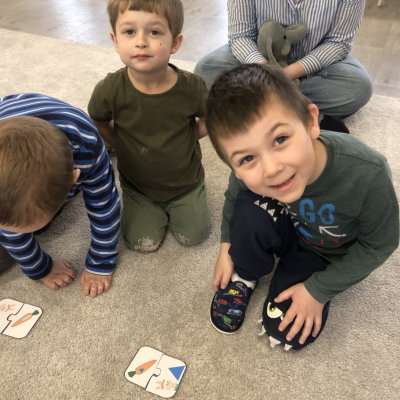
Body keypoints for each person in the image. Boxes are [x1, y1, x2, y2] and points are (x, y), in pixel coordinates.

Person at [205, 64, 399, 350]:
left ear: (310, 122)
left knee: (286, 330)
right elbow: (235, 194)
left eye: (280, 139)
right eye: (247, 159)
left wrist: (318, 290)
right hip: (287, 224)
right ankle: (246, 273)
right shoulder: (251, 176)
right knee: (247, 212)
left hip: (325, 252)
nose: (272, 169)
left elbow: (380, 244)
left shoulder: (368, 173)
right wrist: (226, 246)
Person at [88, 0, 210, 252]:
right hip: (138, 187)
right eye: (129, 31)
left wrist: (190, 138)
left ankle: (194, 195)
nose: (141, 41)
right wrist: (118, 143)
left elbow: (211, 118)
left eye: (154, 32)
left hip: (185, 183)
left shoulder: (193, 87)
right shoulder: (109, 89)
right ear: (115, 40)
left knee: (196, 236)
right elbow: (98, 121)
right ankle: (144, 206)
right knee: (141, 243)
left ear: (175, 42)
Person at [0, 93, 121, 298]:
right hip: (8, 116)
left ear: (74, 178)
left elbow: (105, 208)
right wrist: (41, 268)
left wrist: (100, 263)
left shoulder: (88, 148)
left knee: (34, 221)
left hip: (70, 127)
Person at [195, 0, 372, 121]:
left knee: (358, 87)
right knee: (206, 72)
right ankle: (294, 106)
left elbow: (338, 43)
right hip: (259, 59)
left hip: (315, 62)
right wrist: (265, 70)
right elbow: (241, 36)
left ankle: (256, 102)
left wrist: (286, 74)